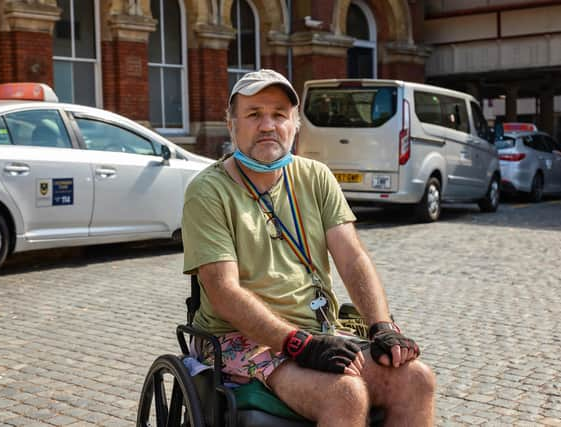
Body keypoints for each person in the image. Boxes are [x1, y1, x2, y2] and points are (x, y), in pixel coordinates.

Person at [182, 69, 436, 426]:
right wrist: (298, 343)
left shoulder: (315, 176)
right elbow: (223, 291)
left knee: (416, 379)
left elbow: (352, 257)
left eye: (279, 115)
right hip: (235, 338)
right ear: (231, 124)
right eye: (254, 114)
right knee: (345, 393)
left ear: (295, 123)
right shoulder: (208, 191)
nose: (268, 125)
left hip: (318, 329)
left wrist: (380, 326)